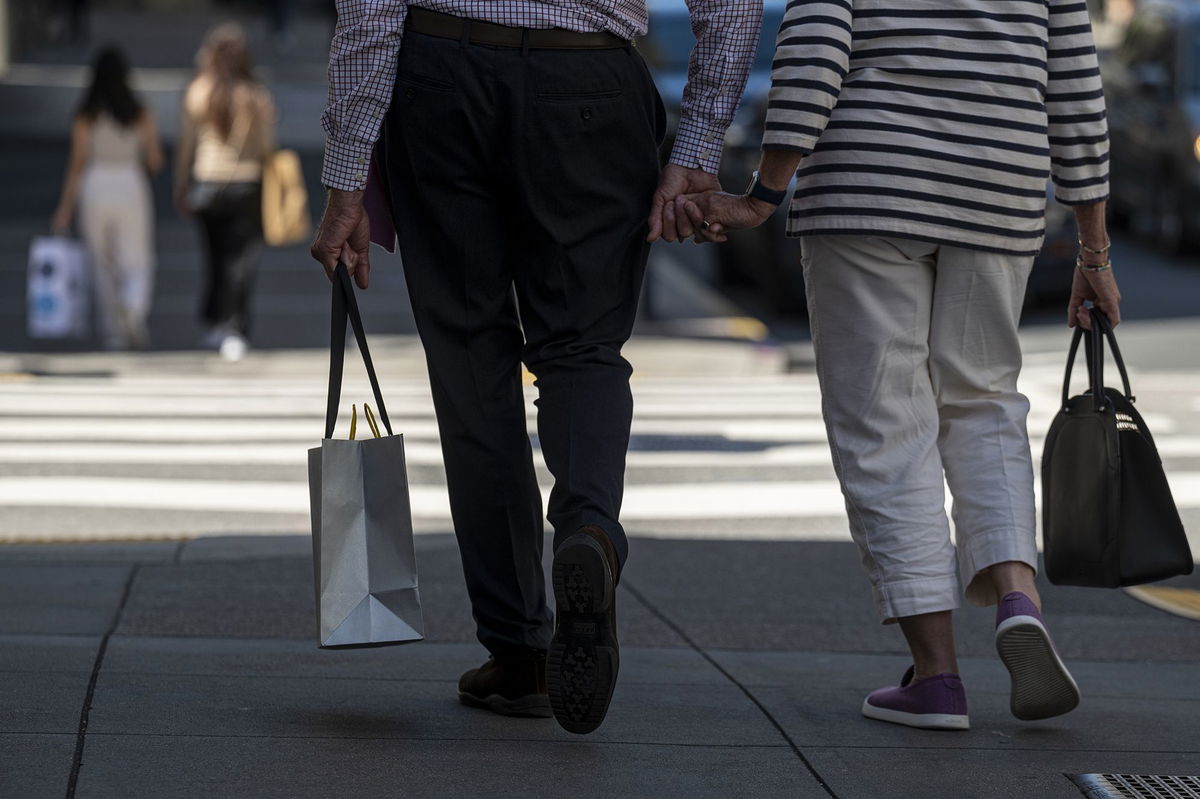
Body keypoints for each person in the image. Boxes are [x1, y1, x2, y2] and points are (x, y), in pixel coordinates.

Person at [311, 0, 763, 734]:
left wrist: (346, 171)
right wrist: (699, 145)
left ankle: (520, 649)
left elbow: (372, 7)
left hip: (442, 73)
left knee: (471, 364)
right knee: (582, 347)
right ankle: (589, 528)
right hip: (587, 75)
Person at [680, 0, 1121, 729]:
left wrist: (765, 191)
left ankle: (937, 678)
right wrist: (1093, 246)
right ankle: (1018, 597)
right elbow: (1075, 82)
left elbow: (818, 45)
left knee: (884, 423)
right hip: (999, 189)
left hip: (866, 183)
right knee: (984, 401)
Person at [175, 23, 277, 362]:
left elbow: (187, 146)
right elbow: (267, 147)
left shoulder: (198, 91)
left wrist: (181, 185)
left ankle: (214, 323)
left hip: (207, 182)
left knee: (214, 258)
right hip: (247, 183)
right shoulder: (255, 94)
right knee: (241, 262)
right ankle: (234, 327)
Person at [53, 46, 162, 351]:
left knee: (101, 260)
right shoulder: (140, 111)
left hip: (95, 183)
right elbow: (154, 160)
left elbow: (77, 163)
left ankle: (114, 328)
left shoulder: (86, 113)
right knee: (136, 256)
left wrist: (64, 207)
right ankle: (133, 306)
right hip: (129, 181)